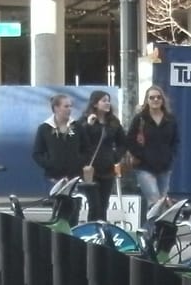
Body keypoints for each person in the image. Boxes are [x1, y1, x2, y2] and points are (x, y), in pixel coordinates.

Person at [126, 85, 179, 213]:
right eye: (152, 97)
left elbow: (175, 141)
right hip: (144, 167)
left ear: (162, 100)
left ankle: (153, 231)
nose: (155, 100)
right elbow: (129, 140)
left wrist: (170, 156)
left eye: (158, 97)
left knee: (162, 203)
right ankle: (150, 231)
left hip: (164, 168)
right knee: (154, 200)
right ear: (147, 100)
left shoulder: (170, 119)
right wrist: (139, 155)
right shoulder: (140, 119)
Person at [76, 89, 124, 221]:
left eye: (108, 101)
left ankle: (101, 234)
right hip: (90, 170)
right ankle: (92, 232)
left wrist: (115, 156)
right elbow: (76, 140)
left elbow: (122, 143)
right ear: (95, 104)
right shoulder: (84, 120)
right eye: (104, 101)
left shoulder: (113, 122)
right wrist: (87, 125)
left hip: (107, 169)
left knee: (103, 205)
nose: (107, 103)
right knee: (95, 206)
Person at [31, 93, 87, 192]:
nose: (69, 109)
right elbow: (37, 153)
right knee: (56, 205)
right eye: (66, 106)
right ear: (56, 108)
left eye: (70, 106)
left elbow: (87, 149)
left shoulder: (77, 126)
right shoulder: (44, 128)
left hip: (74, 177)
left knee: (73, 206)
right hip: (52, 179)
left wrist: (78, 162)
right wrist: (50, 164)